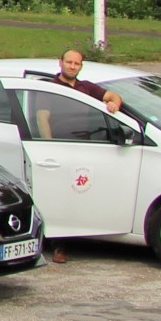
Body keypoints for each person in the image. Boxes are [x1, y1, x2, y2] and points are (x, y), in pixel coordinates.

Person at [42, 48, 123, 263]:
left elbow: (113, 96)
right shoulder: (50, 88)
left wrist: (114, 104)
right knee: (61, 197)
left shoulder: (86, 87)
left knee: (81, 193)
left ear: (81, 66)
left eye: (76, 63)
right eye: (68, 62)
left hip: (86, 147)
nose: (72, 66)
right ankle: (59, 246)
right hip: (61, 147)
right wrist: (49, 146)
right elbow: (42, 118)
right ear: (60, 62)